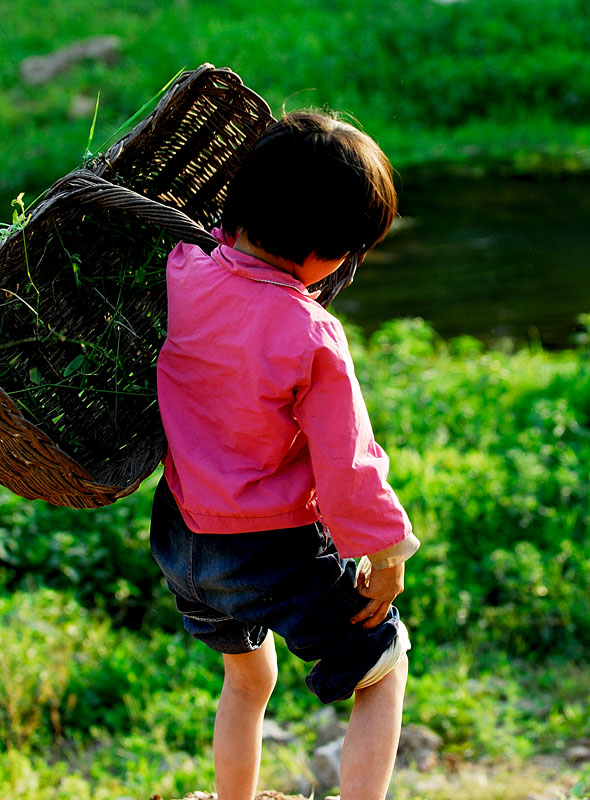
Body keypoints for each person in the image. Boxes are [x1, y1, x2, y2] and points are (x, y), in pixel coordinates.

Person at [150, 110, 421, 800]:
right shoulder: (311, 333)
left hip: (182, 539)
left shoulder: (185, 271)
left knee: (248, 677)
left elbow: (218, 248)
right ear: (329, 253)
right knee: (383, 664)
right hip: (266, 548)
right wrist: (384, 557)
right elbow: (348, 465)